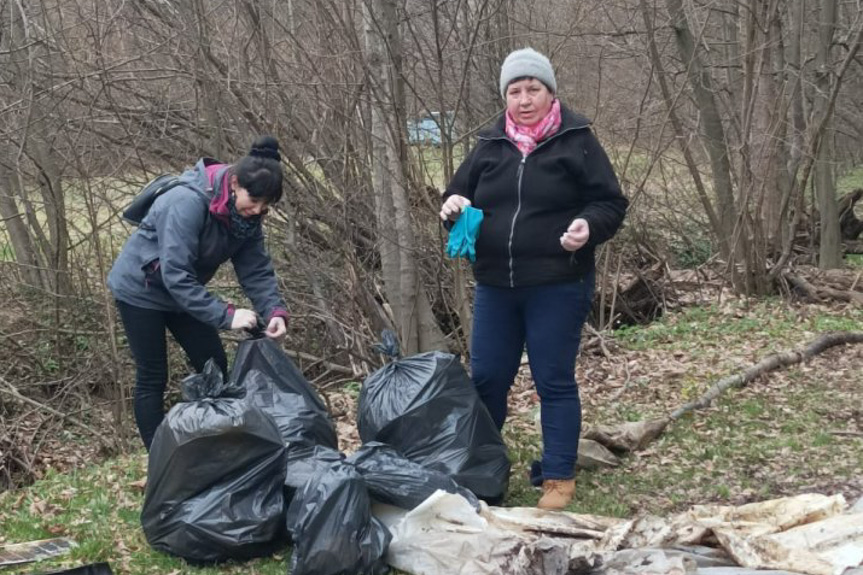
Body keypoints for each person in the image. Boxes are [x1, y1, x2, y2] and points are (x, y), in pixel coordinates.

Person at [440, 48, 628, 510]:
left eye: (533, 89)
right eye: (515, 90)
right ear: (505, 96)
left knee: (553, 380)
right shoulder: (489, 144)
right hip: (495, 286)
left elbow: (609, 203)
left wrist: (588, 227)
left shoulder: (577, 140)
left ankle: (559, 477)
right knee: (486, 379)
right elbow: (457, 195)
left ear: (550, 92)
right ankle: (481, 468)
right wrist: (452, 210)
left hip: (558, 283)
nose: (524, 99)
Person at [108, 136, 289, 450]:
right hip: (141, 290)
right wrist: (225, 315)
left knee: (214, 365)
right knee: (153, 376)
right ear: (234, 183)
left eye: (265, 206)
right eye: (254, 200)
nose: (257, 210)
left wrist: (274, 310)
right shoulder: (186, 202)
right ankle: (159, 458)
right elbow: (175, 275)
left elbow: (255, 270)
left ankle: (216, 442)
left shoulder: (246, 219)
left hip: (182, 292)